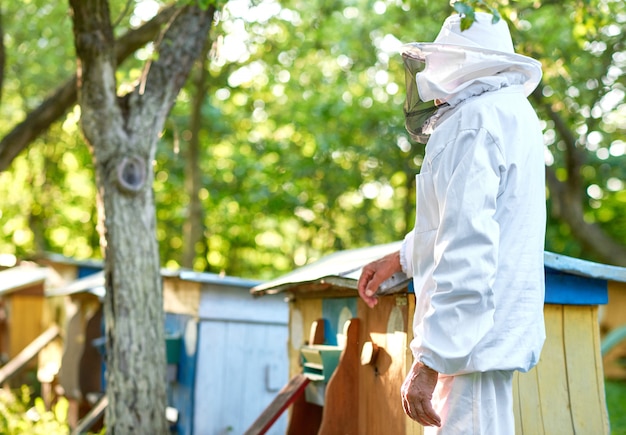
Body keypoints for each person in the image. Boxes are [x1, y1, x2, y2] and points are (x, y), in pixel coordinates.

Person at [357, 12, 546, 434]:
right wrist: (402, 257)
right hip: (478, 344)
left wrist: (431, 359)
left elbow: (467, 245)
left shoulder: (473, 121)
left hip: (466, 349)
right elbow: (467, 221)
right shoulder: (511, 114)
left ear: (459, 62)